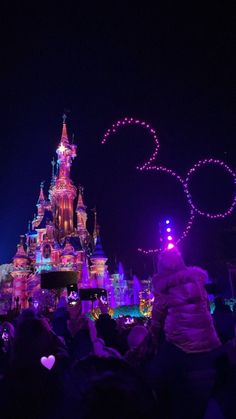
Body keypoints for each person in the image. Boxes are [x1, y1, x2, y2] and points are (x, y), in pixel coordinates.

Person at [147, 247, 222, 419]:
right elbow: (205, 310)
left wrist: (152, 338)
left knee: (156, 377)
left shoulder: (164, 285)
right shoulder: (197, 281)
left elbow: (157, 319)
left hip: (180, 346)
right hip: (210, 341)